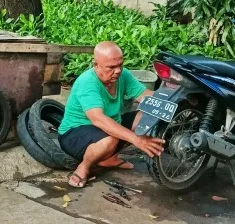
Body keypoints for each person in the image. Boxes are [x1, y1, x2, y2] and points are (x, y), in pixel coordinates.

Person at [58, 41, 165, 188]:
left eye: (120, 65)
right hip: (75, 133)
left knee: (148, 116)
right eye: (111, 67)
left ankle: (108, 158)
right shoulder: (87, 82)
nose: (118, 71)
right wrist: (137, 140)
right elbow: (98, 119)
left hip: (107, 126)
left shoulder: (124, 75)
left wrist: (172, 100)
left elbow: (145, 96)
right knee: (111, 139)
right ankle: (83, 167)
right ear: (96, 65)